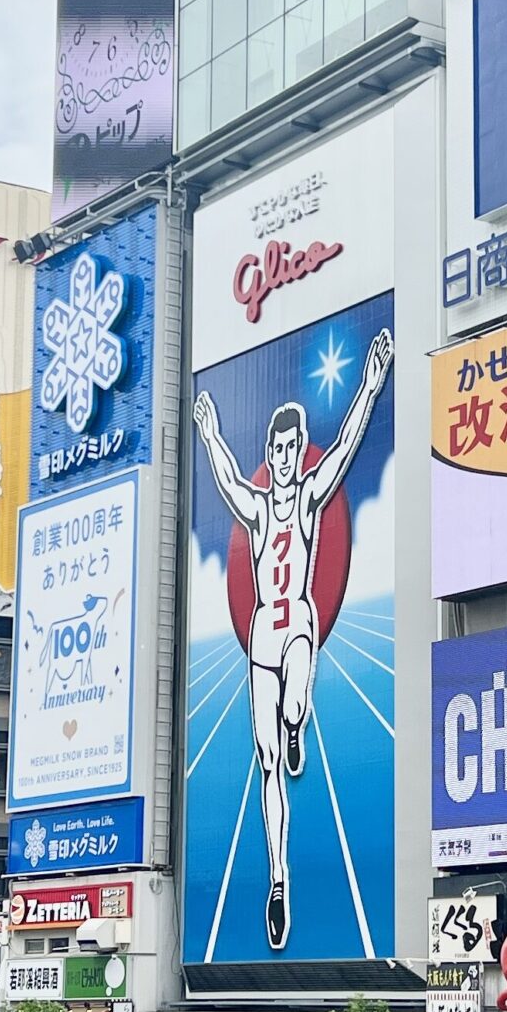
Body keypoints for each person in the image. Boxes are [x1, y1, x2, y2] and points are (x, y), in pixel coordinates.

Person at [191, 325, 394, 952]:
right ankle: (278, 880)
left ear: (298, 448)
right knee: (267, 761)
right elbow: (224, 476)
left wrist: (371, 381)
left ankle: (298, 721)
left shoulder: (307, 499)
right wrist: (207, 430)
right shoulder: (255, 509)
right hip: (261, 638)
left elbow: (351, 443)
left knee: (295, 706)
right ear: (270, 450)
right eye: (275, 448)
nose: (282, 457)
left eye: (291, 447)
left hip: (298, 623)